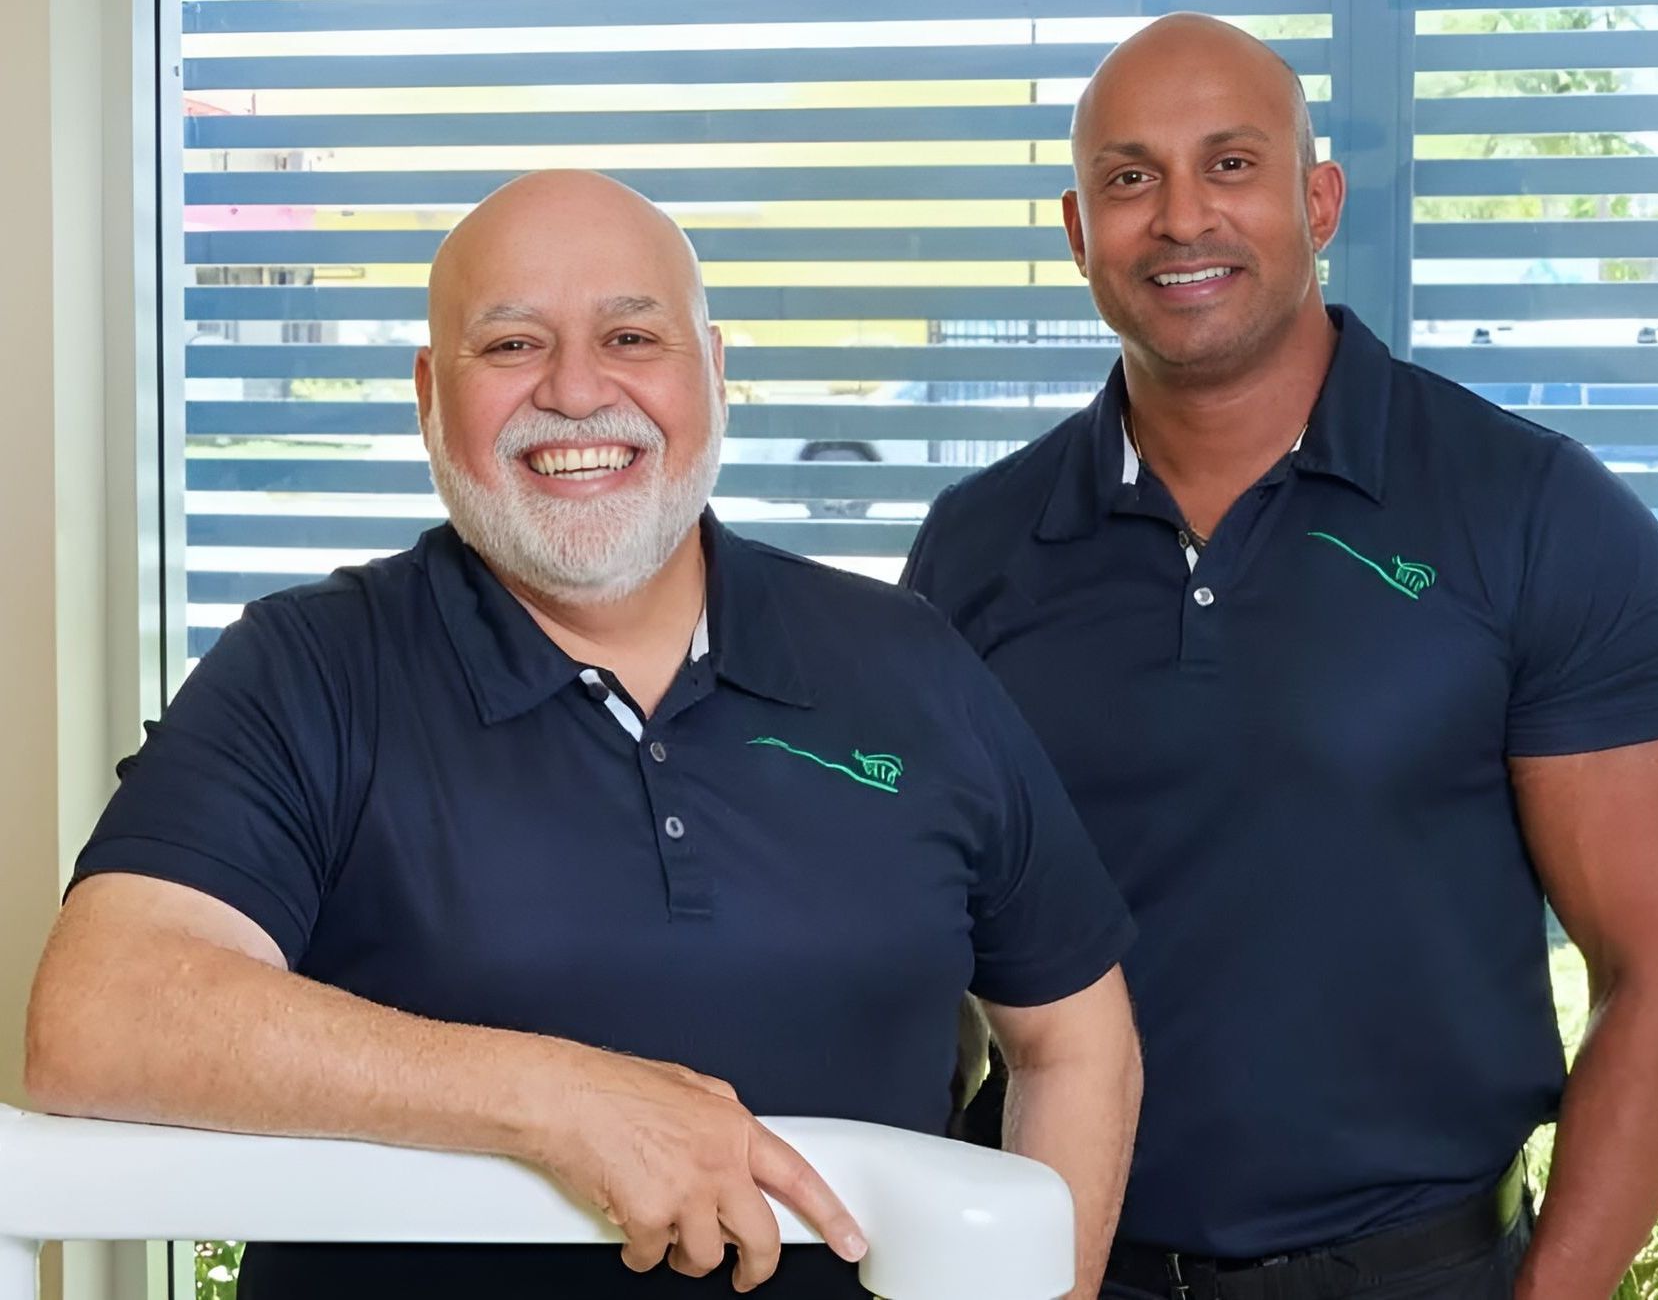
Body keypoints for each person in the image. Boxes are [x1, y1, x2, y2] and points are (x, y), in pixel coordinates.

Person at [24, 170, 1143, 1300]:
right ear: (428, 393)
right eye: (510, 345)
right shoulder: (307, 668)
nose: (573, 391)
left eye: (630, 334)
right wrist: (559, 1101)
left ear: (715, 371)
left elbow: (1073, 1040)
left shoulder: (907, 661)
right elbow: (99, 1017)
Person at [903, 13, 1658, 1300]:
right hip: (1055, 1271)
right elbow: (927, 963)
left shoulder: (1533, 515)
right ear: (1078, 233)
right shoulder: (975, 548)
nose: (1181, 218)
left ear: (1319, 199)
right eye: (1129, 179)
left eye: (1230, 164)